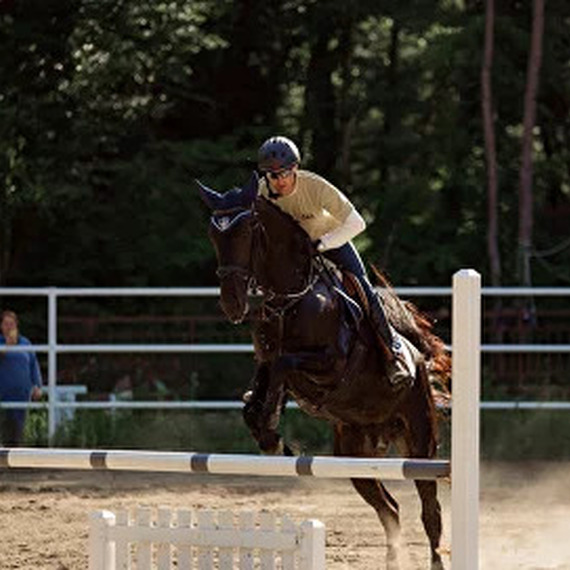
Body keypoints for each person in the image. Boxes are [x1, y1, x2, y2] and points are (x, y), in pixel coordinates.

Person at [257, 135, 416, 388]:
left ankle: (393, 354)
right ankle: (265, 375)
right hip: (294, 254)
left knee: (364, 290)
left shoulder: (316, 186)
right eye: (272, 176)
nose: (279, 181)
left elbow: (357, 223)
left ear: (295, 168)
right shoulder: (263, 191)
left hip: (330, 242)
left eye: (284, 174)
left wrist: (321, 245)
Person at [0, 310, 43, 446]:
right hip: (3, 394)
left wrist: (37, 385)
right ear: (1, 326)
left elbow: (33, 364)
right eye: (6, 324)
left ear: (17, 325)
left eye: (11, 324)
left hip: (21, 394)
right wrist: (7, 347)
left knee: (18, 430)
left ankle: (16, 462)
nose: (9, 327)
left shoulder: (26, 343)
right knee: (5, 428)